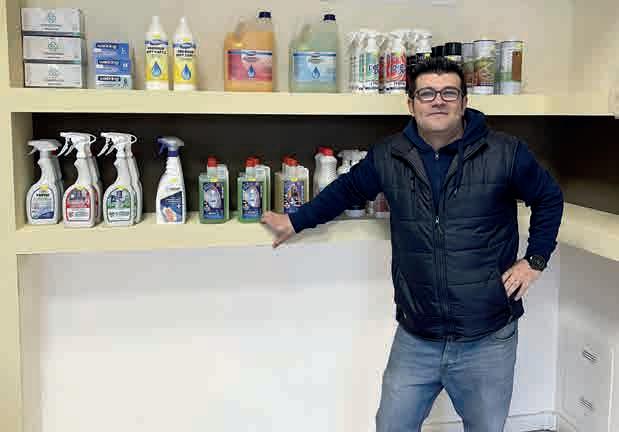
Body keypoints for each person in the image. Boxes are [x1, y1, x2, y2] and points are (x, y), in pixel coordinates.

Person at [261, 58, 564, 432]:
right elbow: (347, 189)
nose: (438, 100)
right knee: (392, 425)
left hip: (487, 336)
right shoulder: (390, 154)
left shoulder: (505, 152)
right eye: (427, 93)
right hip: (417, 336)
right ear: (411, 104)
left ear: (464, 102)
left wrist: (535, 260)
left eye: (449, 92)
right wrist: (295, 221)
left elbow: (549, 197)